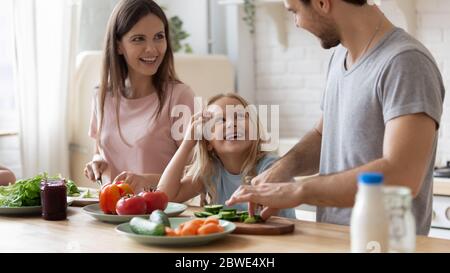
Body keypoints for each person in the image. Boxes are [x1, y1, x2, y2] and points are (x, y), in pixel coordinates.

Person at [226, 0, 445, 235]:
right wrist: (282, 169)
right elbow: (323, 135)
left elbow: (402, 174)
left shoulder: (405, 62)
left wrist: (299, 190)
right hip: (334, 240)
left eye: (295, 12)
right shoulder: (341, 56)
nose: (297, 23)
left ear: (322, 3)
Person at [83, 0, 194, 193]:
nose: (152, 49)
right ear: (118, 46)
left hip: (159, 213)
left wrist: (148, 180)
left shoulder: (179, 97)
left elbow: (198, 172)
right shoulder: (102, 96)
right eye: (138, 39)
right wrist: (97, 162)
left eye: (159, 37)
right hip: (110, 211)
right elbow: (98, 151)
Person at [158, 93, 296, 218]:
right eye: (220, 120)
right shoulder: (211, 172)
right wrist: (187, 144)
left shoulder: (271, 168)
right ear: (208, 142)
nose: (232, 124)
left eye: (240, 116)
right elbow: (164, 198)